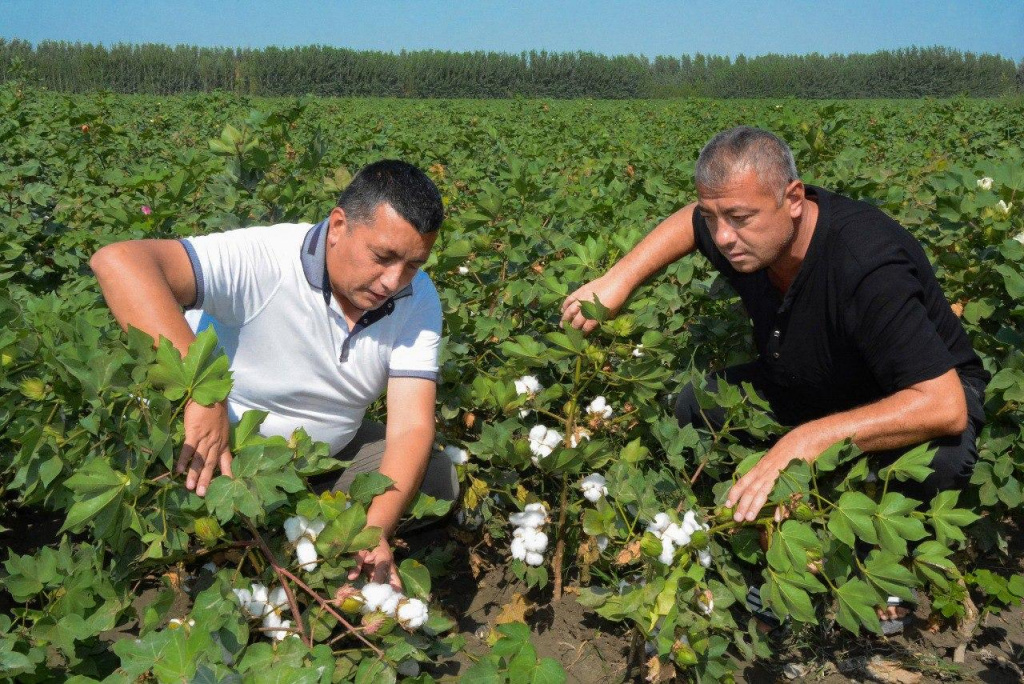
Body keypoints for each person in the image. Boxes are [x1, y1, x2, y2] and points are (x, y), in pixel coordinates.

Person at [561, 127, 988, 624]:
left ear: (794, 199)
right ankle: (751, 544)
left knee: (941, 458)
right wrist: (618, 279)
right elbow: (690, 220)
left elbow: (944, 405)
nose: (723, 237)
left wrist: (807, 441)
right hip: (805, 380)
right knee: (697, 404)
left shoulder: (865, 263)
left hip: (904, 397)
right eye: (714, 217)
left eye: (739, 218)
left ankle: (882, 569)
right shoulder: (740, 233)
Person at [91, 159, 457, 588]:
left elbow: (411, 426)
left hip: (322, 462)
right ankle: (260, 543)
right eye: (383, 257)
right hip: (221, 452)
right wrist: (202, 391)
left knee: (437, 478)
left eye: (412, 265)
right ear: (338, 226)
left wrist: (373, 531)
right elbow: (119, 262)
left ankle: (307, 540)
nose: (394, 281)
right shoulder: (265, 259)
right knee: (193, 513)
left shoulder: (418, 297)